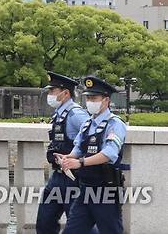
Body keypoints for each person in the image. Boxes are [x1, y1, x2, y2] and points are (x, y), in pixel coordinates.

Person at [55, 76, 127, 234]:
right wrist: (68, 158)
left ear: (106, 100)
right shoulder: (87, 124)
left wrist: (80, 163)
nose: (90, 101)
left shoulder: (115, 124)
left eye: (94, 98)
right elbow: (78, 148)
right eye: (88, 98)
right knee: (72, 231)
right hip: (85, 188)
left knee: (110, 231)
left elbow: (108, 154)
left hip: (105, 191)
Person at [36, 72, 91, 234]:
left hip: (74, 178)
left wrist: (76, 160)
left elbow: (94, 142)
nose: (49, 94)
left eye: (52, 91)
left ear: (65, 93)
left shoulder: (76, 114)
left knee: (77, 225)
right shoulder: (59, 114)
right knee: (44, 222)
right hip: (57, 177)